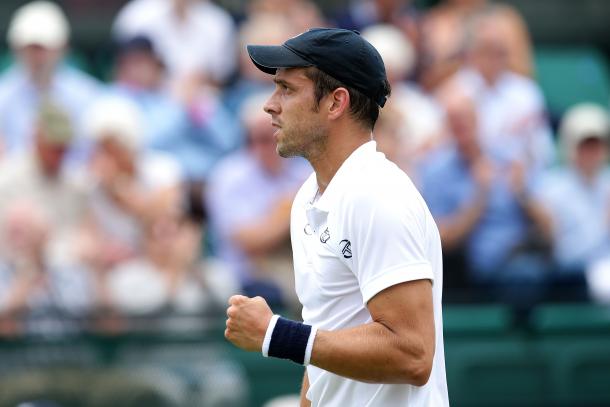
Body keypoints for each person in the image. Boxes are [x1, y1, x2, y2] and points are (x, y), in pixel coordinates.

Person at [224, 28, 448, 406]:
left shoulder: (378, 196)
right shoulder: (308, 198)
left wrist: (276, 335)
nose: (270, 105)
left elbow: (413, 354)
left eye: (287, 89)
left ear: (335, 103)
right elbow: (325, 344)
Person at [0, 1, 101, 163]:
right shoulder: (3, 95)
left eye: (43, 49)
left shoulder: (88, 95)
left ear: (63, 48)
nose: (38, 57)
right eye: (31, 49)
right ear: (16, 50)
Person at [536, 103, 610, 301]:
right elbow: (563, 256)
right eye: (585, 146)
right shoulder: (551, 189)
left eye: (597, 145)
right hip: (574, 281)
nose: (592, 153)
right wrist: (604, 226)